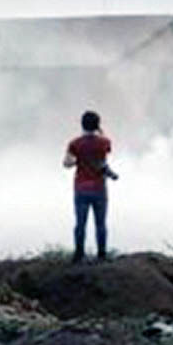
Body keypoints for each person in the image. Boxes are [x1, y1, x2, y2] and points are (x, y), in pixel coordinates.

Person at [63, 110, 113, 263]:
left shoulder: (74, 144)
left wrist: (79, 160)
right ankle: (102, 254)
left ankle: (79, 254)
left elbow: (67, 163)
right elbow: (103, 162)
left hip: (81, 188)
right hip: (99, 188)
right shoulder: (105, 142)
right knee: (101, 224)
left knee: (80, 223)